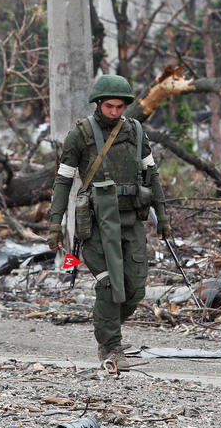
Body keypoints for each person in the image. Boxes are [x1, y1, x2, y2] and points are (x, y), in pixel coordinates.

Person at [47, 74, 171, 367]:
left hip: (131, 221)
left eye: (120, 107)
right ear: (99, 103)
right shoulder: (80, 134)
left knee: (135, 288)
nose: (115, 112)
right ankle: (110, 346)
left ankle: (105, 324)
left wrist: (163, 215)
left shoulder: (136, 132)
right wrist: (56, 223)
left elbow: (152, 175)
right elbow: (63, 181)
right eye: (109, 106)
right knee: (108, 285)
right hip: (96, 225)